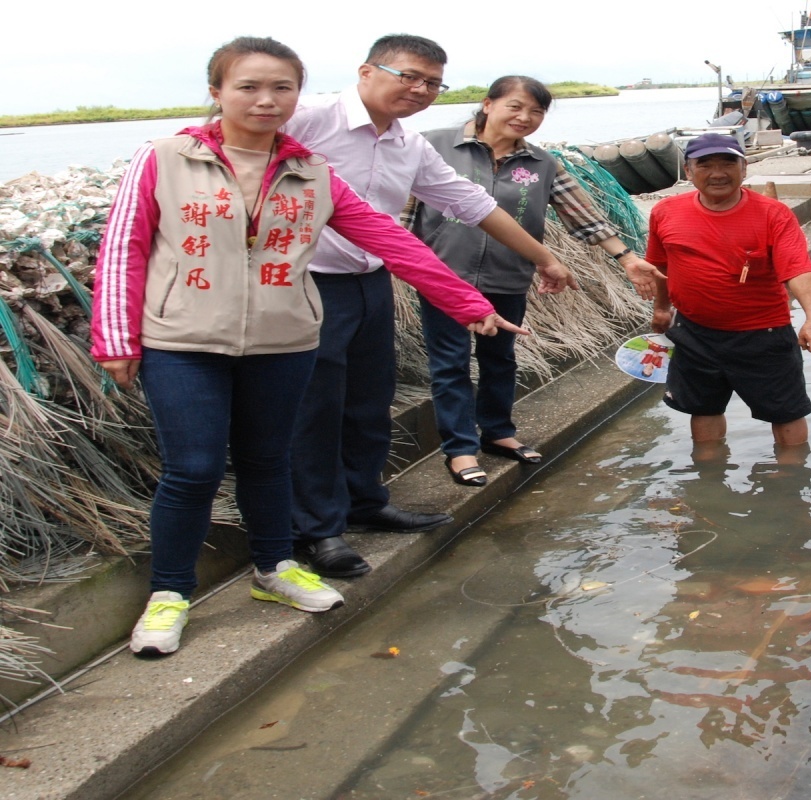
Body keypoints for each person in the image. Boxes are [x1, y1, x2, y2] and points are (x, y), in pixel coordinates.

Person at [91, 36, 525, 656]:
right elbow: (124, 245)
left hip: (282, 339)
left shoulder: (313, 172)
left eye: (281, 88)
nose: (266, 100)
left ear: (298, 96)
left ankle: (275, 570)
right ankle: (169, 594)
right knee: (193, 469)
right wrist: (115, 336)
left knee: (270, 458)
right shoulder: (162, 157)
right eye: (248, 86)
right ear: (216, 93)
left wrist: (470, 305)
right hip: (183, 340)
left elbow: (388, 239)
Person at [282, 35, 660, 578]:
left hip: (371, 280)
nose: (420, 90)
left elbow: (471, 203)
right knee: (317, 405)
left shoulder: (409, 145)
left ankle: (364, 502)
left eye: (433, 83)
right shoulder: (311, 120)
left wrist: (548, 260)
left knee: (369, 400)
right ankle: (316, 529)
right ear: (366, 71)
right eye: (408, 76)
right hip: (306, 280)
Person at [405, 75, 665, 487]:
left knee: (500, 358)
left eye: (536, 112)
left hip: (507, 276)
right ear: (488, 104)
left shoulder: (542, 164)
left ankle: (498, 433)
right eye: (515, 106)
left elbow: (583, 216)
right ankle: (459, 450)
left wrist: (628, 257)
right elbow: (404, 209)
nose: (525, 118)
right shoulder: (432, 144)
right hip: (443, 278)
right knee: (450, 363)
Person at [646, 133, 811, 449]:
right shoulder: (665, 212)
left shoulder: (774, 215)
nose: (718, 173)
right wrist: (662, 309)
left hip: (763, 334)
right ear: (688, 172)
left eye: (728, 163)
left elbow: (798, 269)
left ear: (744, 169)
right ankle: (708, 479)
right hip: (694, 332)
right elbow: (660, 267)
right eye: (705, 165)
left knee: (786, 412)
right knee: (702, 408)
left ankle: (790, 483)